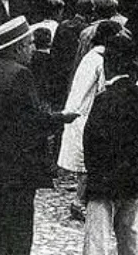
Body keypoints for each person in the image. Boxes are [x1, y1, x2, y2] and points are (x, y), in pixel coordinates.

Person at [0, 16, 78, 255]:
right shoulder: (20, 75)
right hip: (13, 173)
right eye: (30, 44)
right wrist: (61, 118)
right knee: (16, 236)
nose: (32, 49)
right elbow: (32, 122)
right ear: (18, 47)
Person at [82, 33, 138, 255]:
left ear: (108, 64)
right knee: (131, 237)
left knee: (98, 240)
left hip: (104, 179)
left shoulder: (104, 99)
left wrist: (91, 172)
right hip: (132, 176)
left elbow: (90, 139)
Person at [58, 20, 123, 220]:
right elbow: (101, 87)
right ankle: (79, 202)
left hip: (83, 111)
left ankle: (81, 200)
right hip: (86, 113)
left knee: (87, 162)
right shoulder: (98, 59)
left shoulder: (91, 56)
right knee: (87, 162)